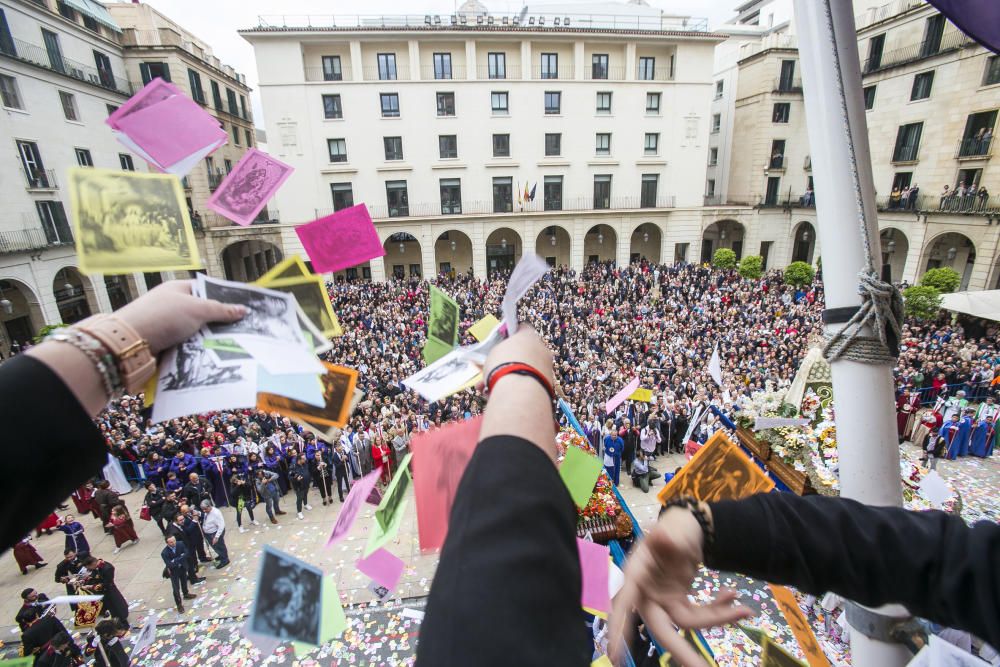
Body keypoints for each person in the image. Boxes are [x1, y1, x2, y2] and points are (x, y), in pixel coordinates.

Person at [80, 555, 129, 625]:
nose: (89, 569)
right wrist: (85, 580)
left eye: (89, 567)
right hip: (103, 592)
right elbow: (94, 575)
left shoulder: (107, 568)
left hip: (109, 590)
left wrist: (91, 587)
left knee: (116, 606)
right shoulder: (96, 567)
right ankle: (116, 619)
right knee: (110, 607)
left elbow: (106, 583)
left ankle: (123, 620)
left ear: (93, 563)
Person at [161, 535, 197, 612]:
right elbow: (170, 564)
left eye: (174, 540)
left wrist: (175, 560)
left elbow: (187, 553)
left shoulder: (180, 544)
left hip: (182, 567)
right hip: (174, 572)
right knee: (176, 588)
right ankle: (179, 604)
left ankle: (186, 594)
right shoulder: (164, 553)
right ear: (167, 543)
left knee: (184, 581)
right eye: (171, 542)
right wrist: (181, 557)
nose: (174, 543)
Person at [199, 500, 229, 569]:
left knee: (219, 546)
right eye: (203, 509)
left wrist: (216, 537)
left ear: (209, 506)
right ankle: (221, 555)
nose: (204, 511)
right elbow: (205, 516)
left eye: (205, 509)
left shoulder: (216, 513)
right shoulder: (207, 511)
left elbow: (221, 525)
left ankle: (225, 559)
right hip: (209, 533)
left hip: (214, 533)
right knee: (215, 547)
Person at [230, 468, 260, 533]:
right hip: (239, 501)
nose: (236, 481)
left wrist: (245, 484)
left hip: (246, 499)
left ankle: (253, 520)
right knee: (239, 513)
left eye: (237, 480)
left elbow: (250, 487)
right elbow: (232, 493)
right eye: (235, 481)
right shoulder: (233, 485)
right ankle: (240, 526)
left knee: (250, 509)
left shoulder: (243, 482)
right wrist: (237, 486)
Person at [290, 453, 312, 519]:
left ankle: (305, 504)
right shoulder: (293, 467)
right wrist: (296, 479)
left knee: (305, 494)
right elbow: (290, 477)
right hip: (299, 486)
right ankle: (299, 512)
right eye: (303, 459)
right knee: (299, 498)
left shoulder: (305, 464)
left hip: (306, 484)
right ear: (299, 460)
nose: (305, 459)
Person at [602, 422, 623, 486]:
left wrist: (617, 454)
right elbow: (605, 446)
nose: (614, 436)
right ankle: (607, 481)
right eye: (613, 435)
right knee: (608, 469)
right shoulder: (607, 439)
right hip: (608, 457)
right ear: (610, 435)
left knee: (616, 470)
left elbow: (622, 448)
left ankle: (616, 482)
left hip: (616, 457)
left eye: (615, 435)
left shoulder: (620, 440)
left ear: (617, 435)